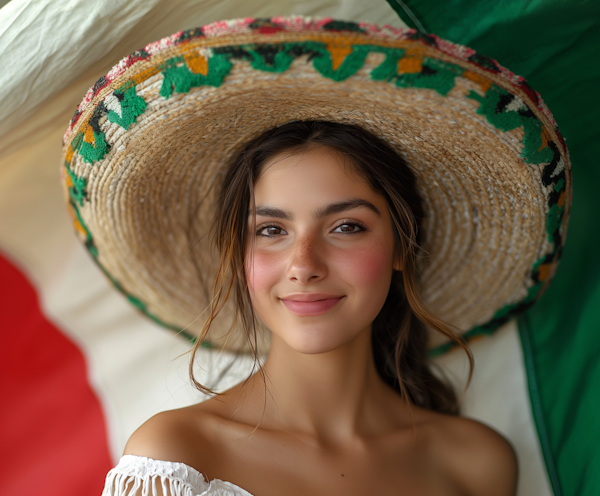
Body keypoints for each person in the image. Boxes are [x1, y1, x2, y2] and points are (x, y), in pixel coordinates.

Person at [61, 16, 570, 496]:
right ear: (239, 255)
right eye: (271, 229)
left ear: (400, 246)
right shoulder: (178, 458)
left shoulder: (476, 462)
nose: (304, 264)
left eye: (346, 227)